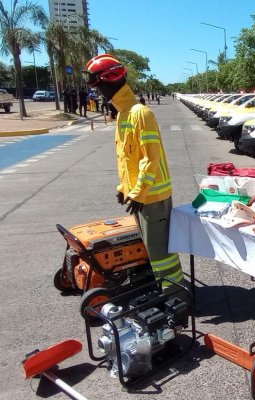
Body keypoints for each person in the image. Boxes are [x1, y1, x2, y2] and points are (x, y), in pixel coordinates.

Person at [83, 54, 185, 296]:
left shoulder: (141, 114)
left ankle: (177, 297)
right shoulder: (122, 115)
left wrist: (137, 192)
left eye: (101, 86)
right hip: (139, 196)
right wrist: (123, 188)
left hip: (153, 197)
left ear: (112, 81)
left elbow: (151, 158)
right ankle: (163, 290)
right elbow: (128, 159)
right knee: (151, 250)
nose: (100, 92)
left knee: (162, 254)